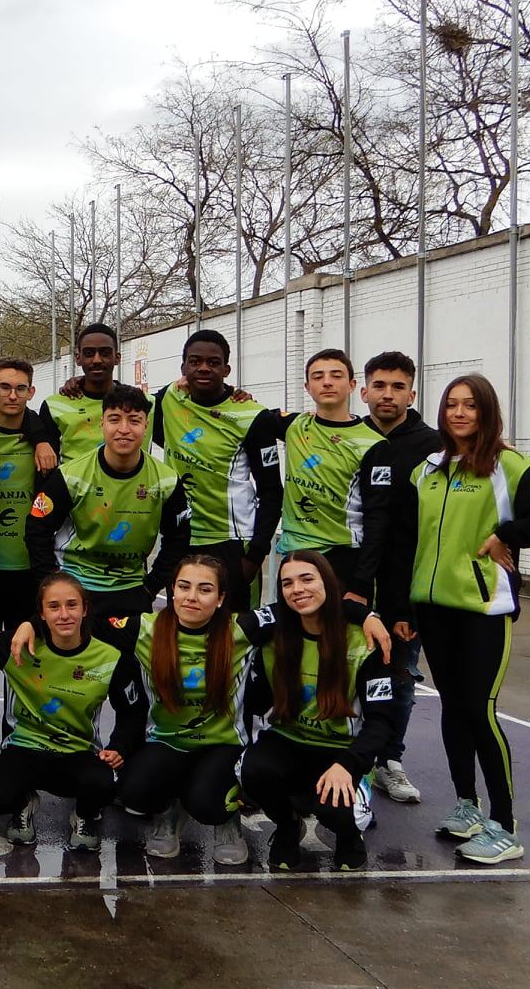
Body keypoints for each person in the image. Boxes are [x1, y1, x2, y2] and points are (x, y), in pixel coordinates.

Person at [387, 374, 530, 864]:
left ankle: (504, 824)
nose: (459, 413)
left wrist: (510, 533)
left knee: (480, 710)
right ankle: (467, 805)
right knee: (454, 709)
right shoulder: (428, 470)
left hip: (482, 609)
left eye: (470, 406)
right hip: (433, 609)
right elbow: (406, 543)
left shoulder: (508, 464)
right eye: (452, 405)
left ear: (486, 412)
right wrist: (403, 607)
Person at [239, 550, 397, 872]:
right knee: (249, 771)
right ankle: (287, 825)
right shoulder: (275, 635)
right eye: (287, 583)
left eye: (307, 579)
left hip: (340, 750)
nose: (297, 589)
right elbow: (244, 625)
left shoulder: (363, 641)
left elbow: (382, 723)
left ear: (327, 581)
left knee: (337, 810)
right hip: (290, 739)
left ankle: (349, 836)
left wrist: (349, 765)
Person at [0, 573, 136, 851]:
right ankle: (23, 804)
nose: (64, 615)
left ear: (85, 609)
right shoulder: (18, 646)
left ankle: (84, 814)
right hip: (25, 749)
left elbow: (132, 711)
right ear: (41, 613)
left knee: (107, 784)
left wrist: (119, 746)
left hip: (77, 753)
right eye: (53, 607)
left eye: (72, 605)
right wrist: (25, 624)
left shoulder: (110, 657)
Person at [344, 351, 439, 805]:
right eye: (379, 385)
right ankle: (343, 754)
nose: (388, 394)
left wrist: (403, 606)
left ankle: (388, 761)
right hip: (347, 581)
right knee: (342, 671)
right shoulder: (347, 437)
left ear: (412, 393)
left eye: (398, 387)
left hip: (405, 589)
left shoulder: (436, 447)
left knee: (398, 676)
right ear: (363, 391)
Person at [113, 555, 252, 865]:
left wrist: (367, 616)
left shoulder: (242, 629)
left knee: (207, 803)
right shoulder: (143, 629)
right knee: (132, 792)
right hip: (167, 741)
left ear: (220, 599)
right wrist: (30, 625)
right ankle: (170, 811)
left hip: (222, 745)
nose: (191, 597)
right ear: (171, 591)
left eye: (204, 589)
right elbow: (77, 621)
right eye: (184, 586)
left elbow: (304, 608)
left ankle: (227, 822)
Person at [27, 383, 191, 627]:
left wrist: (152, 585)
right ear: (102, 424)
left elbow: (178, 537)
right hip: (76, 589)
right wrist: (53, 584)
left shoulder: (166, 480)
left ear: (146, 426)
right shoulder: (71, 475)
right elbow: (36, 530)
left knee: (129, 665)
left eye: (134, 421)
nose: (123, 429)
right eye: (114, 419)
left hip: (133, 589)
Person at [152, 329, 282, 611]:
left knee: (233, 637)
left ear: (226, 369)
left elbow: (272, 490)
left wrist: (256, 554)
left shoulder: (251, 415)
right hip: (180, 539)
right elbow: (118, 401)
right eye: (195, 361)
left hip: (232, 544)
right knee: (181, 631)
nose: (203, 368)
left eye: (213, 362)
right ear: (183, 367)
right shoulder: (168, 399)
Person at [273, 349, 386, 586]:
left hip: (343, 555)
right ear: (307, 386)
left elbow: (378, 518)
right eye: (317, 377)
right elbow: (244, 412)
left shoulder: (373, 443)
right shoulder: (294, 426)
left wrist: (362, 580)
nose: (327, 382)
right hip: (295, 552)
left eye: (336, 375)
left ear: (352, 385)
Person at [0, 358, 42, 636]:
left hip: (27, 566)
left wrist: (42, 439)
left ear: (31, 393)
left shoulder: (44, 436)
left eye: (20, 389)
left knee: (27, 658)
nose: (12, 395)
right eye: (4, 387)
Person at [43, 323, 118, 462]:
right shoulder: (53, 406)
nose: (97, 360)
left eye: (105, 352)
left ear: (117, 357)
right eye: (89, 353)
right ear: (78, 358)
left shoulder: (146, 403)